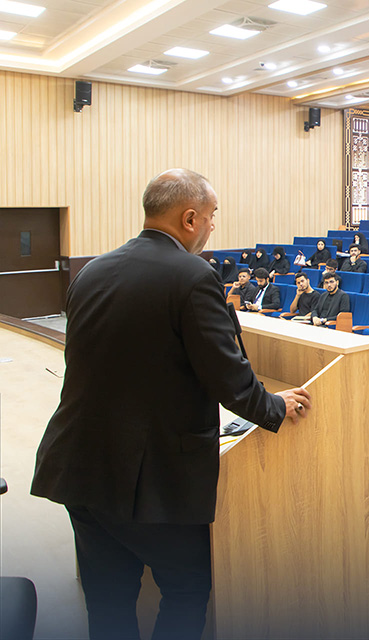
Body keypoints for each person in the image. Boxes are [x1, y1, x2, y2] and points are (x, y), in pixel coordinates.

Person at [30, 169, 310, 640]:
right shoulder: (193, 275)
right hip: (149, 478)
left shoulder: (93, 270)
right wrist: (274, 407)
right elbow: (228, 376)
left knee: (108, 599)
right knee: (186, 590)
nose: (213, 226)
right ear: (190, 218)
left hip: (79, 463)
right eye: (212, 216)